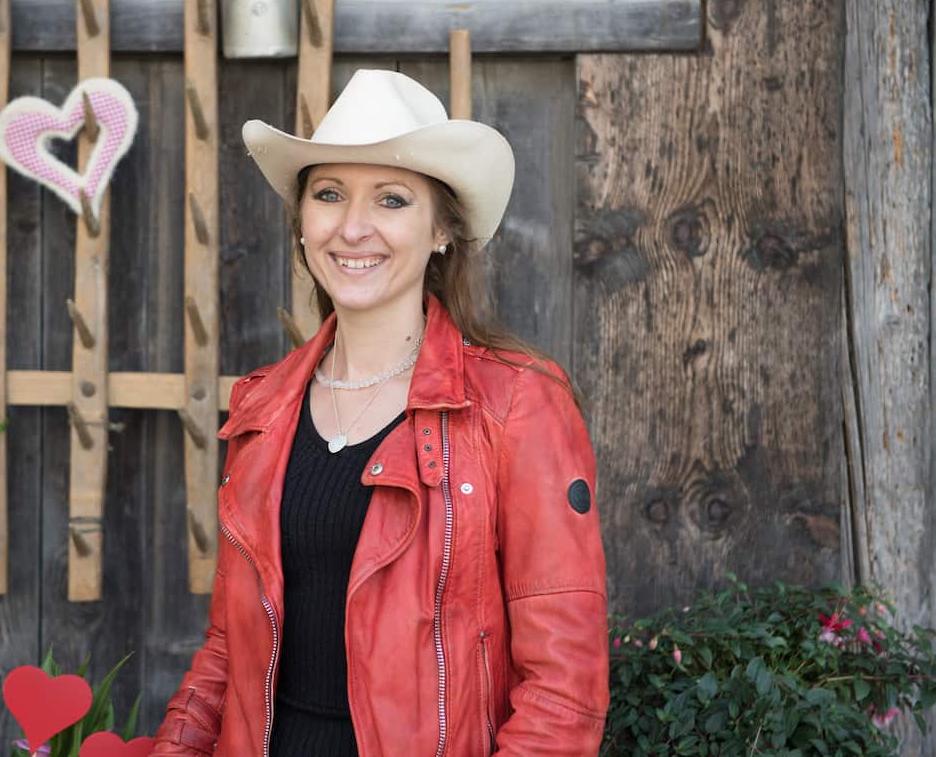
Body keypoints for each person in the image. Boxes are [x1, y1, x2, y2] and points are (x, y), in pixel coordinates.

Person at [151, 68, 609, 757]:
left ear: (442, 230)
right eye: (328, 194)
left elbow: (563, 693)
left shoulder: (517, 404)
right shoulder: (262, 407)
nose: (353, 227)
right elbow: (227, 649)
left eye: (391, 199)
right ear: (302, 223)